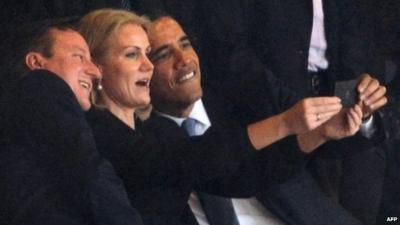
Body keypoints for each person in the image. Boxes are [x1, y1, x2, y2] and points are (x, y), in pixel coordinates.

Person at [79, 8, 364, 224]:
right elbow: (190, 160)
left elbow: (239, 176)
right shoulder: (96, 136)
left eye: (147, 54)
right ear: (96, 68)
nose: (147, 66)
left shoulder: (157, 133)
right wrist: (285, 122)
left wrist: (317, 133)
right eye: (133, 55)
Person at [0, 19, 142, 225]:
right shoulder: (40, 84)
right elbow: (90, 172)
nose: (95, 71)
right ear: (37, 63)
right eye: (79, 56)